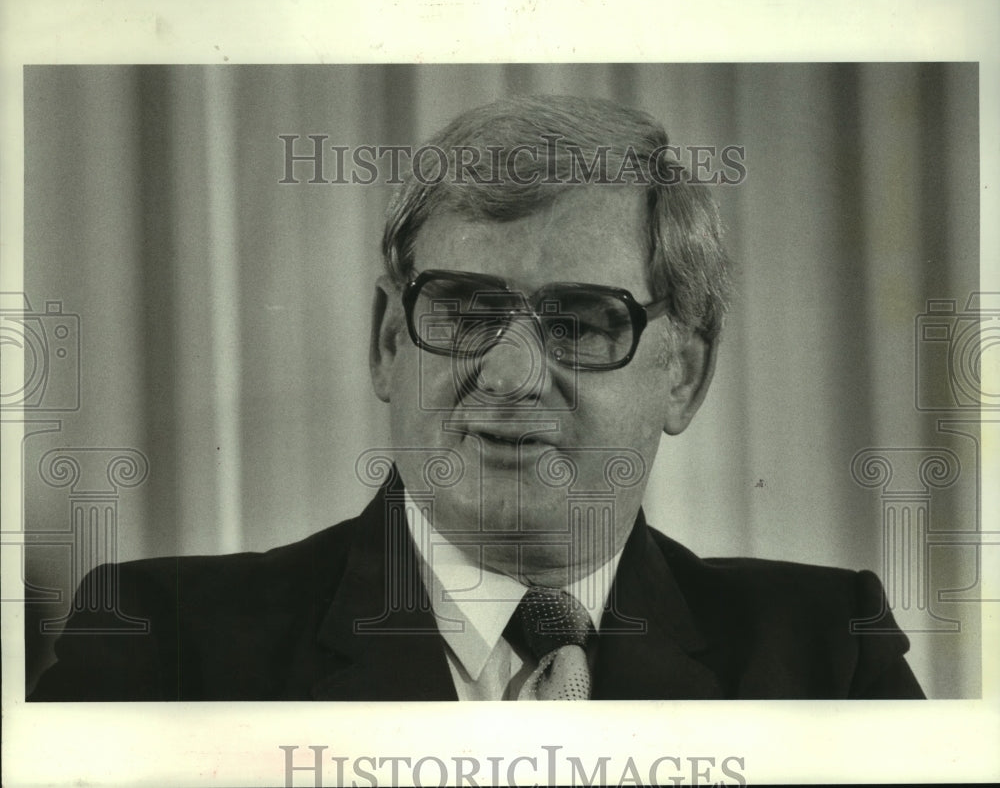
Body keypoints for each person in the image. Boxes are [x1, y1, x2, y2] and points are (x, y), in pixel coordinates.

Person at [30, 95, 923, 700]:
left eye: (580, 322)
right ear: (388, 342)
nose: (508, 375)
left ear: (683, 373)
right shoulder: (157, 648)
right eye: (465, 311)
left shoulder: (827, 656)